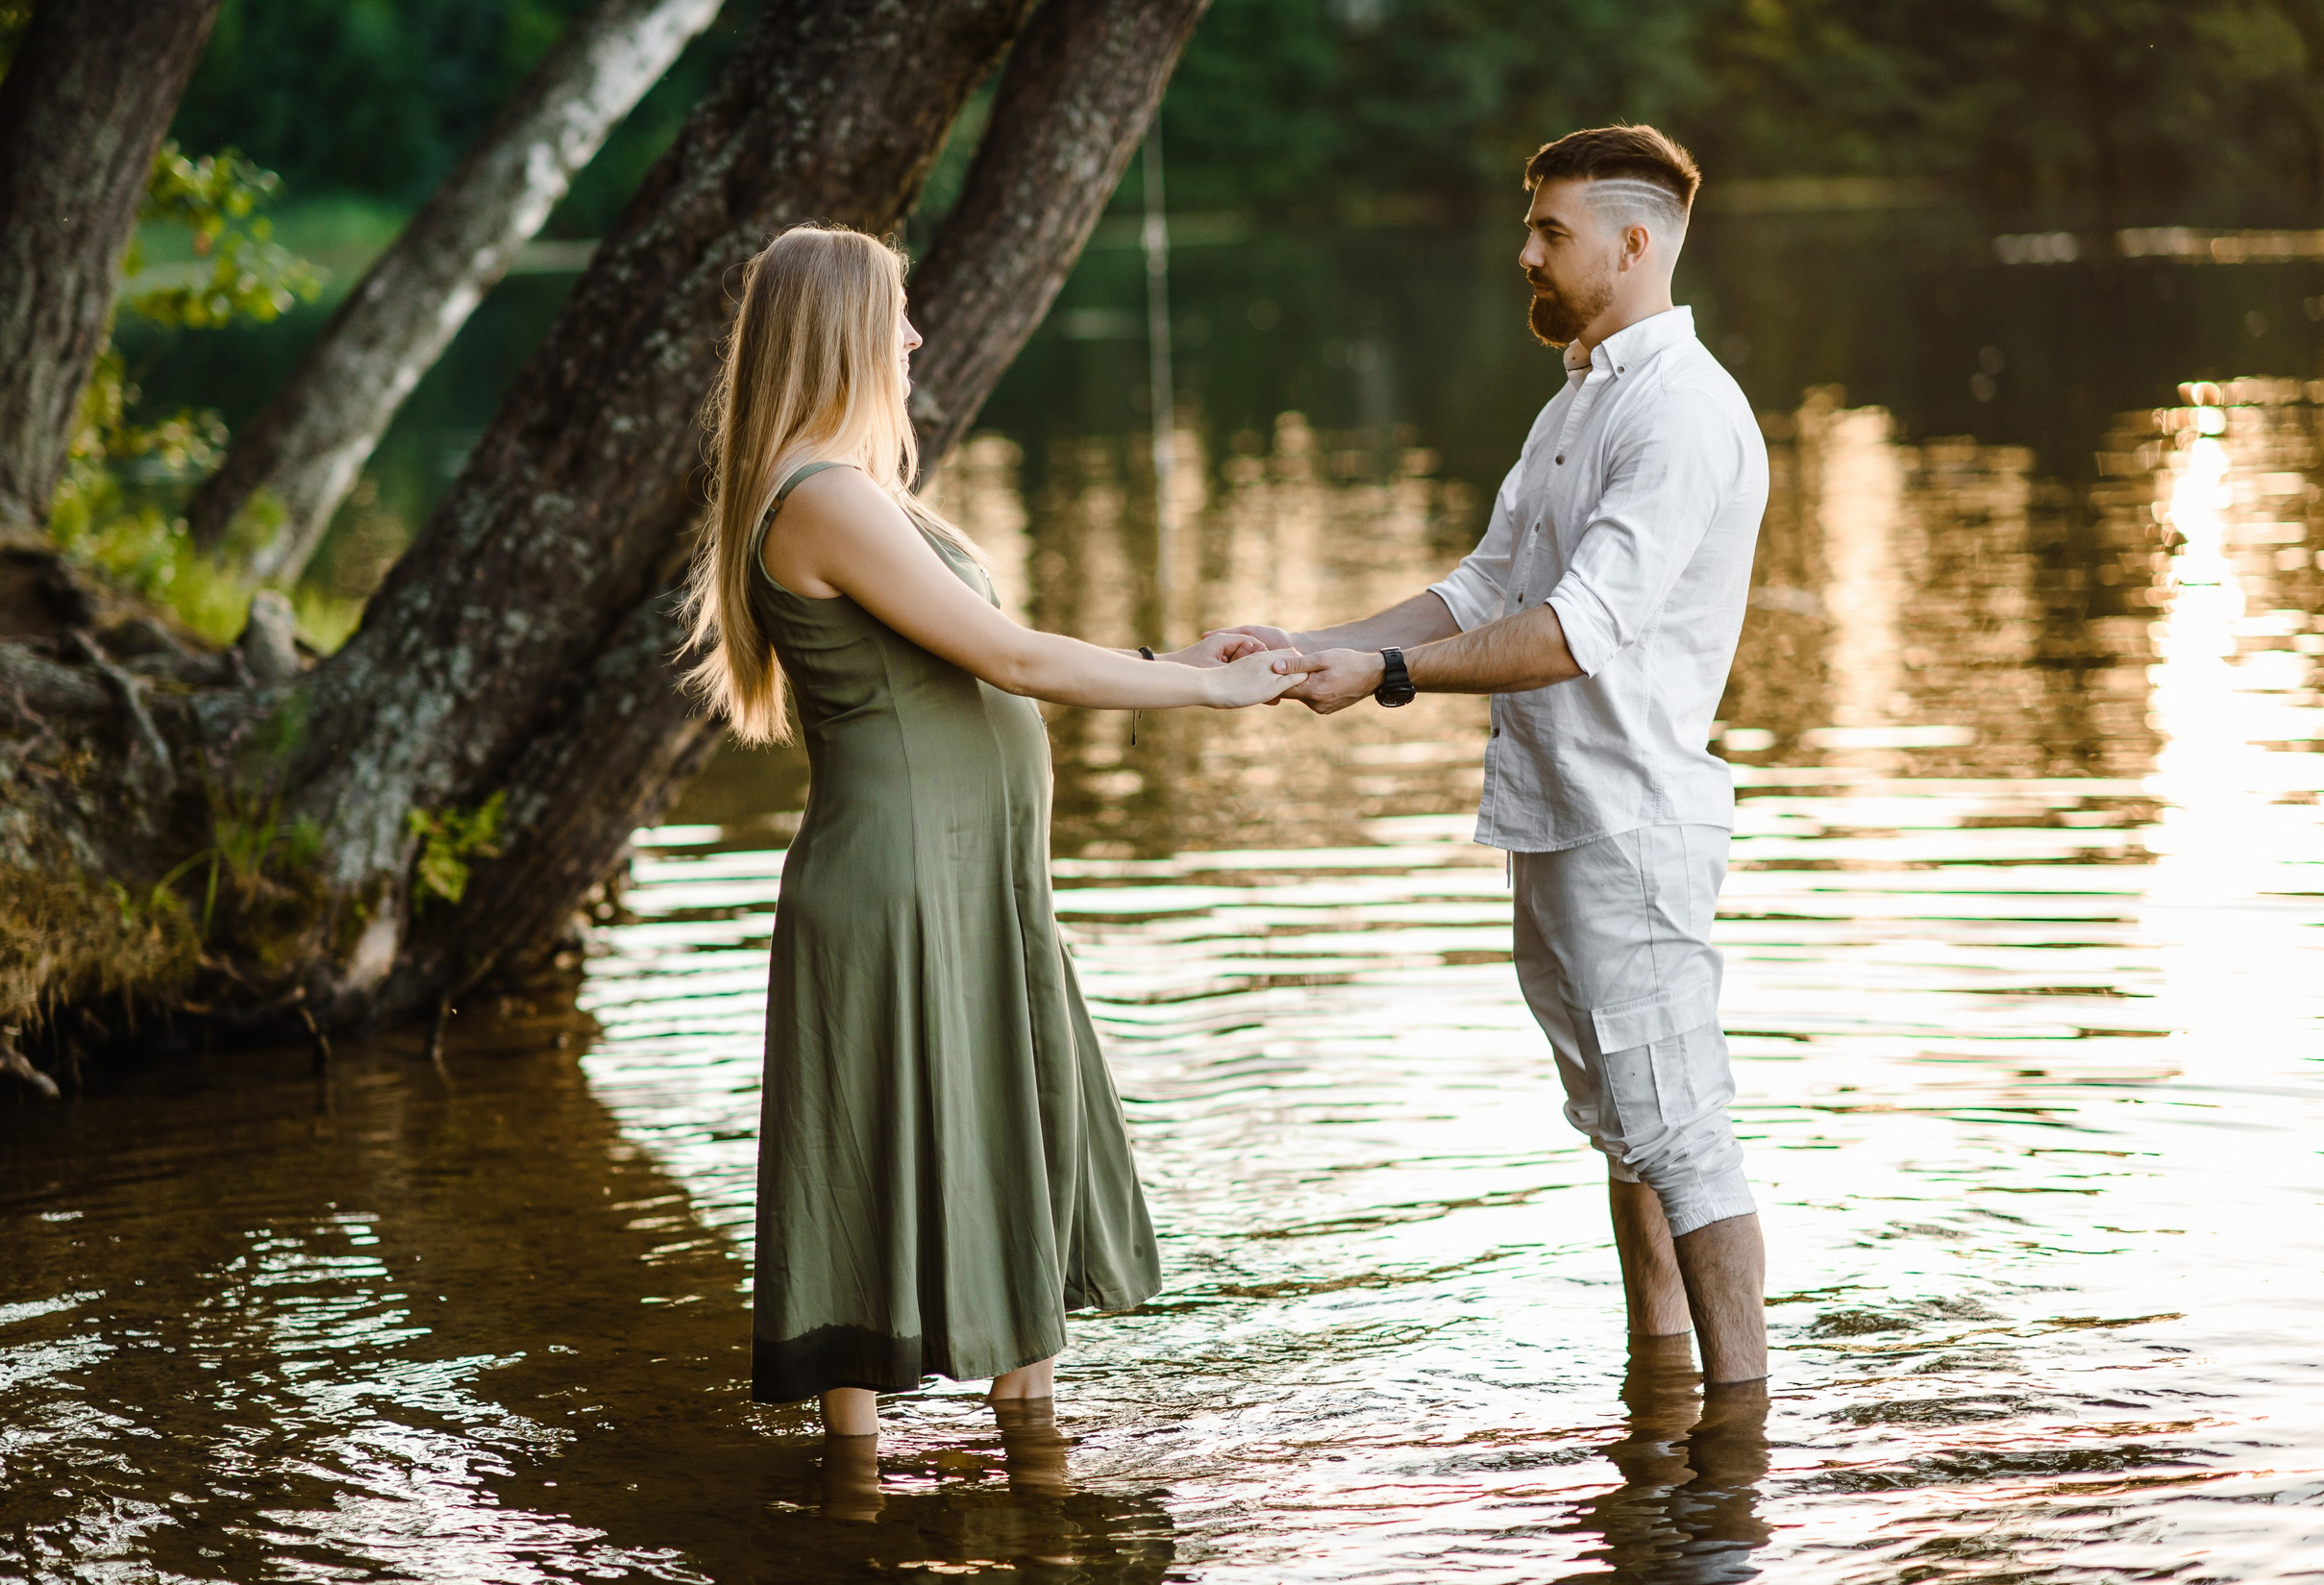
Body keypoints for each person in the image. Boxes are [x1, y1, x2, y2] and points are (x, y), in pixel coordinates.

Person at [680, 224, 1313, 1440]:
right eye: (896, 315)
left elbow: (978, 669)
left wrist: (1171, 657)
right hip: (908, 884)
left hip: (966, 879)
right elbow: (1012, 657)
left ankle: (990, 1475)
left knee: (984, 1149)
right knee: (871, 1178)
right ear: (839, 334)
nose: (916, 336)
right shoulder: (821, 498)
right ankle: (869, 1481)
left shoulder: (846, 491)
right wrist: (1209, 692)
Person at [1217, 125, 1772, 1385]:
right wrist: (1310, 646)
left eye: (1550, 232)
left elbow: (1573, 631)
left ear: (1633, 244)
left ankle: (1734, 1433)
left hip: (1632, 822)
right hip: (1558, 813)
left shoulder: (1681, 413)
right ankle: (1660, 1379)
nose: (1524, 253)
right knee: (1629, 1132)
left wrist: (1387, 675)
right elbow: (1481, 590)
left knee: (1683, 1136)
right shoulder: (1581, 398)